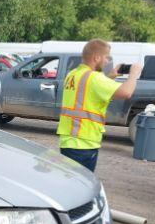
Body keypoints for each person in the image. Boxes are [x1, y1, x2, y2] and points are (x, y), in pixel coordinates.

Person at [57, 39, 142, 172]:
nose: (108, 61)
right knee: (82, 188)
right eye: (107, 58)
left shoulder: (73, 74)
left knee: (71, 184)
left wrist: (110, 76)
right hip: (84, 143)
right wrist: (133, 74)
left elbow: (90, 91)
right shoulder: (94, 78)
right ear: (97, 57)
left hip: (69, 141)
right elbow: (126, 92)